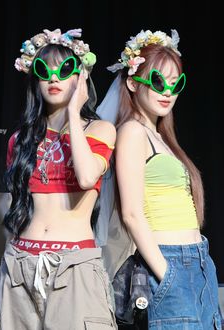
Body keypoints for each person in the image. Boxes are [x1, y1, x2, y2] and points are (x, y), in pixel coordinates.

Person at [0, 27, 117, 330]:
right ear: (35, 78)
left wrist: (74, 112)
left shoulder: (99, 130)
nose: (54, 78)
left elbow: (87, 177)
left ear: (80, 76)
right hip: (19, 266)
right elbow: (16, 204)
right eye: (45, 70)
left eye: (66, 69)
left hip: (73, 267)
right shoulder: (20, 139)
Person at [103, 28, 222, 329]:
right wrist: (166, 272)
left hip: (199, 262)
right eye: (157, 81)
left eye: (175, 83)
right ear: (133, 81)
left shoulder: (161, 138)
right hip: (170, 262)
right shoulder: (132, 132)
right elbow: (131, 213)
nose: (168, 92)